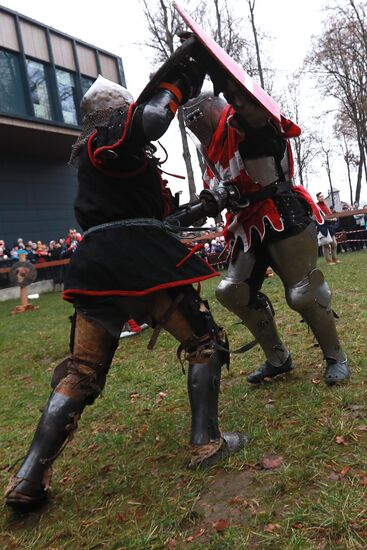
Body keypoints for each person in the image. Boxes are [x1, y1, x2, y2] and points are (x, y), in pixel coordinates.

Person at [5, 60, 245, 509]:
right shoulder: (109, 139)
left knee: (81, 372)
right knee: (206, 341)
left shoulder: (105, 157)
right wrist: (183, 77)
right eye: (126, 110)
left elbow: (157, 221)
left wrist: (207, 203)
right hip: (136, 263)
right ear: (116, 113)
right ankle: (205, 442)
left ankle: (28, 479)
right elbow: (152, 120)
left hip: (99, 266)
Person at [183, 86, 349, 387]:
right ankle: (278, 358)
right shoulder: (207, 148)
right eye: (189, 119)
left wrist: (236, 93)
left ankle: (336, 356)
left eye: (197, 116)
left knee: (303, 291)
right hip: (245, 225)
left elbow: (263, 126)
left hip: (281, 212)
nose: (195, 123)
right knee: (232, 291)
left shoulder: (245, 121)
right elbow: (223, 182)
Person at [315, 193, 340, 264]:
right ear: (317, 198)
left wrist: (333, 218)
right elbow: (319, 218)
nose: (322, 198)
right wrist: (330, 220)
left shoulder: (326, 205)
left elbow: (329, 214)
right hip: (323, 227)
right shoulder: (317, 207)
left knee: (334, 244)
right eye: (320, 197)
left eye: (322, 196)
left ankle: (334, 259)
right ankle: (329, 261)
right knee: (326, 244)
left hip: (330, 226)